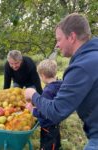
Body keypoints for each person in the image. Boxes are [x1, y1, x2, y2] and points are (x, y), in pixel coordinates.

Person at [24, 13, 98, 150]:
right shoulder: (93, 55)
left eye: (59, 39)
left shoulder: (82, 66)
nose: (57, 45)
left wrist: (33, 95)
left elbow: (57, 111)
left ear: (72, 37)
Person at [26, 59, 62, 150]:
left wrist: (32, 110)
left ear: (42, 75)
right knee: (55, 141)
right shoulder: (59, 84)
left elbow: (45, 112)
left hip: (48, 125)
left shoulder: (48, 91)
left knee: (48, 145)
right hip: (55, 122)